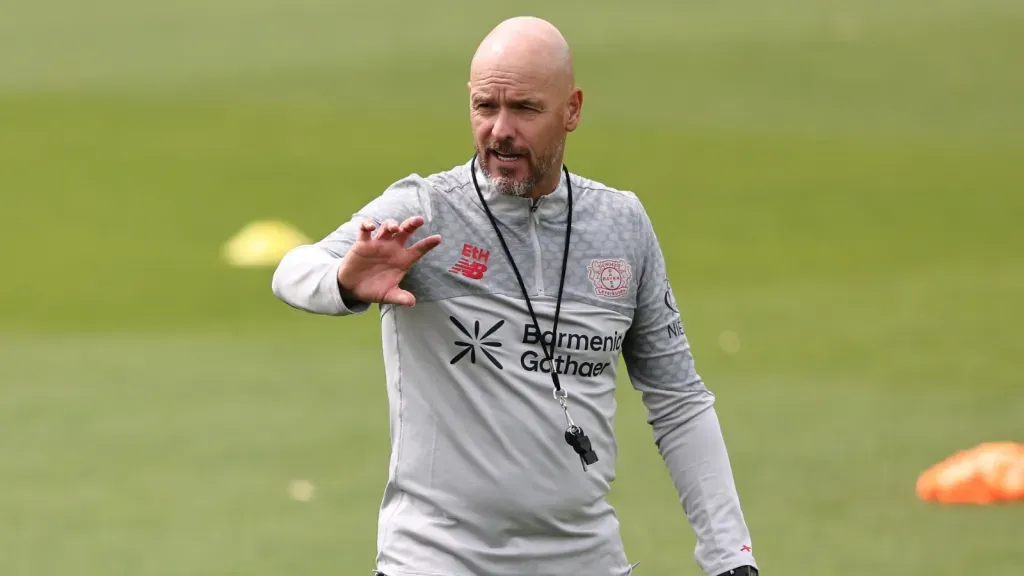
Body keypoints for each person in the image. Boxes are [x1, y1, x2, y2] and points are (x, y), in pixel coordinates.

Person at [271, 15, 760, 576]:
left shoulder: (621, 225)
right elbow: (292, 270)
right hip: (436, 562)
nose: (500, 129)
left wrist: (730, 557)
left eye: (525, 109)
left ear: (572, 109)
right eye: (485, 106)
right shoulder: (427, 211)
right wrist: (342, 281)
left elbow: (678, 400)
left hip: (586, 561)